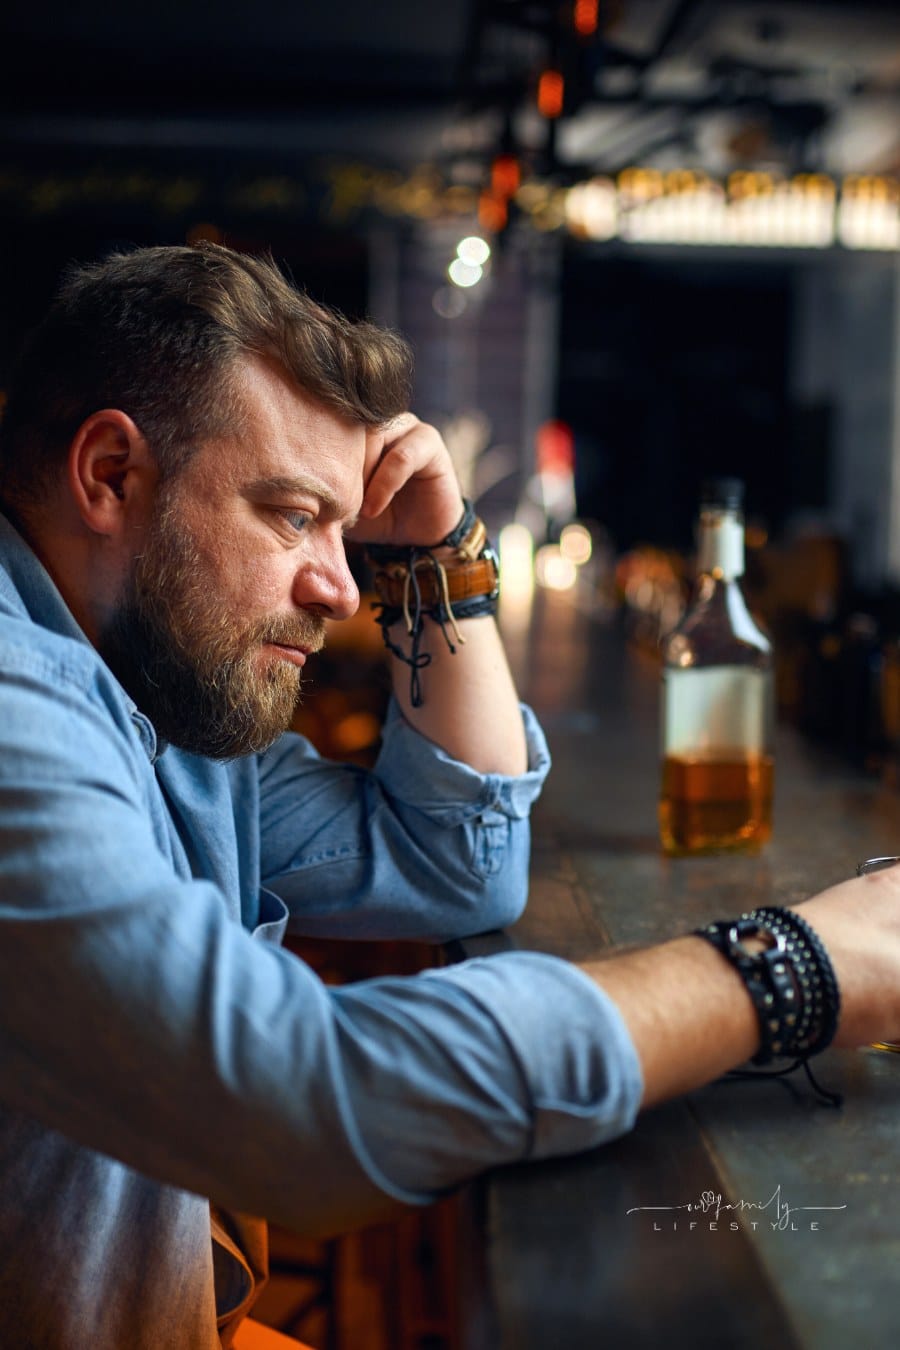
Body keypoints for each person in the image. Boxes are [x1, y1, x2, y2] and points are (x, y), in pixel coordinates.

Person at [0, 242, 899, 1350]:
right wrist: (789, 967)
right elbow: (294, 1102)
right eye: (291, 516)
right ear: (110, 475)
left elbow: (453, 865)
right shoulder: (16, 706)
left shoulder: (154, 696)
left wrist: (442, 551)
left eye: (348, 529)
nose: (339, 586)